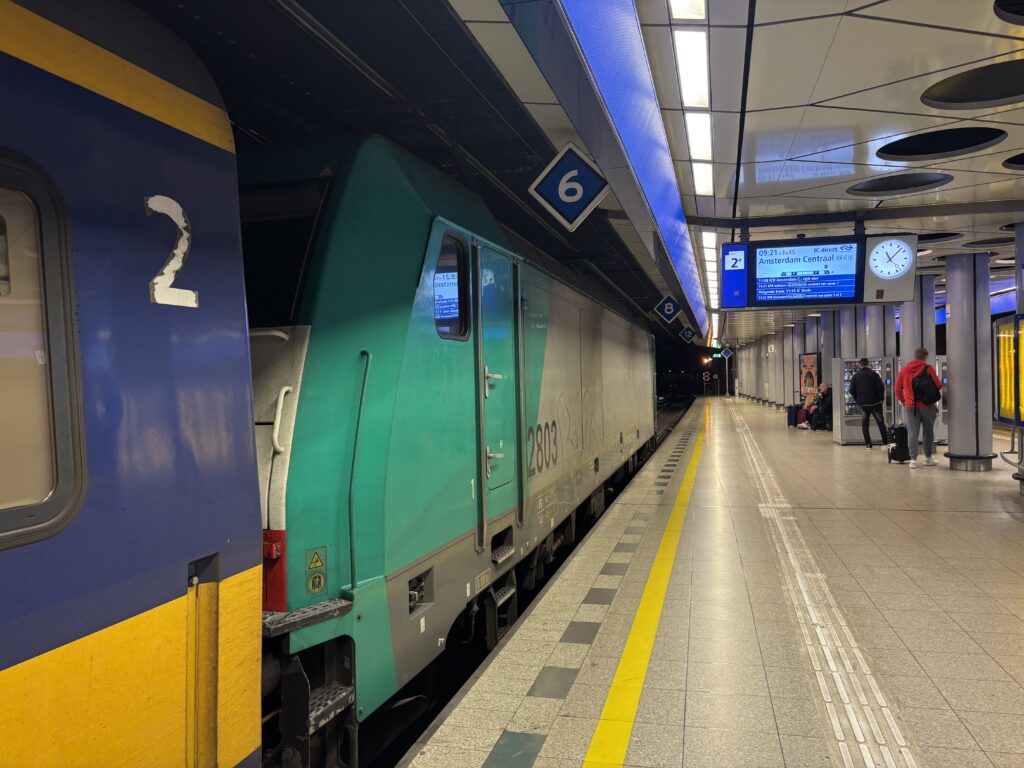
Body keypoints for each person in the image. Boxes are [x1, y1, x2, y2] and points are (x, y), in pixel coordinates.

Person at [894, 347, 943, 469]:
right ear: (925, 357)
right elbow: (938, 385)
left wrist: (904, 401)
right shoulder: (928, 369)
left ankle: (913, 460)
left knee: (912, 433)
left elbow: (896, 389)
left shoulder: (904, 370)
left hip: (911, 406)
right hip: (927, 406)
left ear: (915, 356)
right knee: (928, 432)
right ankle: (928, 458)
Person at [849, 358, 887, 450]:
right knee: (881, 423)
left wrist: (857, 399)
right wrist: (881, 398)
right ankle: (885, 443)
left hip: (863, 405)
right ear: (868, 364)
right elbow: (881, 387)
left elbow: (851, 390)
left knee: (865, 425)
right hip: (875, 403)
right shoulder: (874, 375)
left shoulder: (856, 376)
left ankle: (868, 445)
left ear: (860, 365)